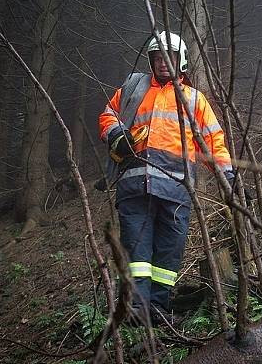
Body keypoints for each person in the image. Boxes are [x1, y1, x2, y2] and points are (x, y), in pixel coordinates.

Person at [99, 31, 234, 325]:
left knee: (168, 253)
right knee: (136, 250)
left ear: (181, 60)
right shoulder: (133, 89)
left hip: (175, 191)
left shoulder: (194, 100)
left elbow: (214, 141)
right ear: (151, 60)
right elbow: (108, 114)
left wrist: (229, 179)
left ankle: (158, 309)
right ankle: (137, 310)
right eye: (158, 58)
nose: (163, 64)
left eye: (169, 58)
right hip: (134, 187)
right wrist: (116, 136)